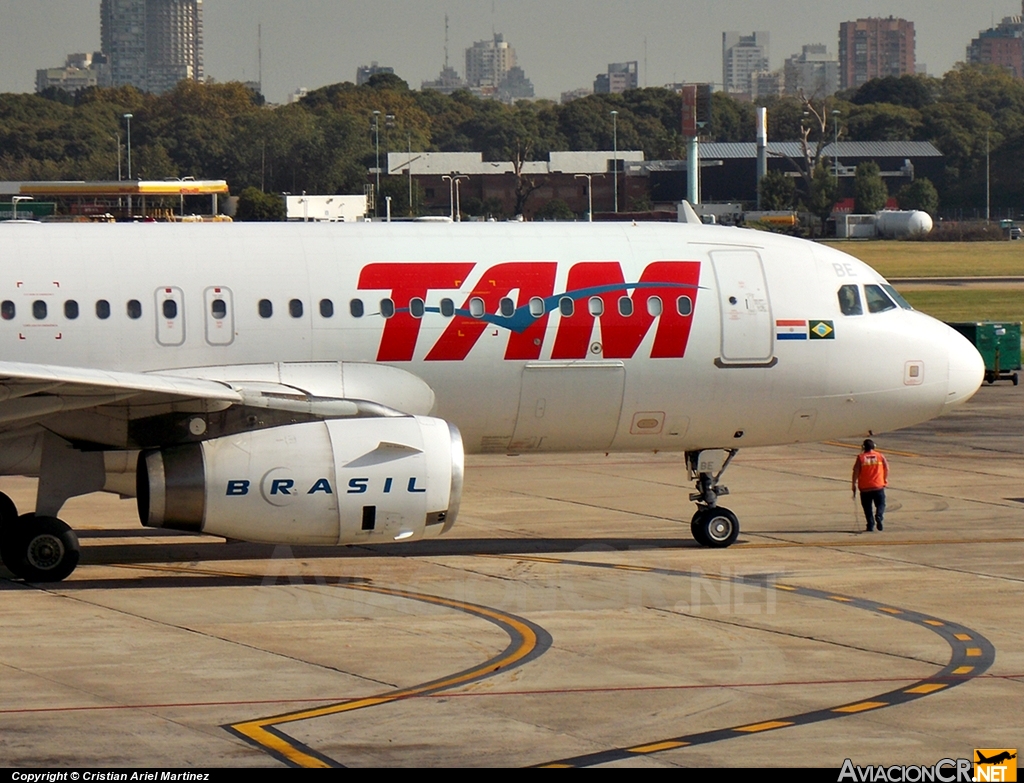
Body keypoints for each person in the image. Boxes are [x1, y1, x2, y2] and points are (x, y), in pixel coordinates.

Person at [852, 439, 889, 531]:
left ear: (863, 447)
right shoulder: (880, 456)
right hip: (878, 486)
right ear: (874, 446)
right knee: (881, 504)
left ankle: (870, 525)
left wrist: (853, 484)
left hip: (865, 488)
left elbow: (856, 471)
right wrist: (884, 479)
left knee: (867, 507)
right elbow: (887, 468)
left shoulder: (861, 458)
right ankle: (879, 516)